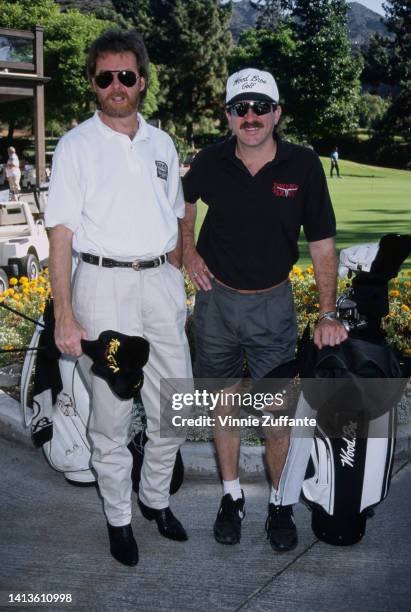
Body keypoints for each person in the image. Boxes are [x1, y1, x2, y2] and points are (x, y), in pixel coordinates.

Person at [181, 68, 347, 552]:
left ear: (277, 113)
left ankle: (280, 504)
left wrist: (328, 312)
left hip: (273, 306)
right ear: (228, 116)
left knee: (277, 413)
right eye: (240, 108)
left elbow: (321, 244)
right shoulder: (210, 160)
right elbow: (183, 206)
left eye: (259, 107)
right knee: (224, 404)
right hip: (217, 303)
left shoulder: (304, 166)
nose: (249, 117)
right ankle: (231, 496)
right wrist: (188, 250)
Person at [45, 29, 192, 567]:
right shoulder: (76, 145)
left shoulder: (164, 144)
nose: (116, 86)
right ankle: (119, 518)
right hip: (102, 288)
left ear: (142, 82)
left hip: (158, 282)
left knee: (175, 405)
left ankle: (154, 500)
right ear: (94, 83)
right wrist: (65, 312)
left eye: (125, 76)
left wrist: (176, 275)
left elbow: (177, 216)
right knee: (111, 415)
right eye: (105, 77)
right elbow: (61, 233)